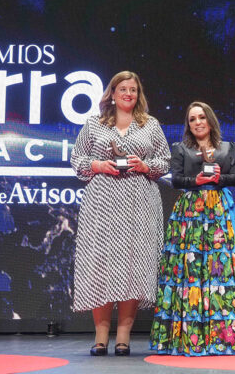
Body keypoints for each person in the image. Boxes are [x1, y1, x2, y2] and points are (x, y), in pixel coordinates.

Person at [149, 101, 235, 356]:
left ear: (210, 120)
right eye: (192, 119)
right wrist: (195, 181)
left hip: (220, 211)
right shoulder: (180, 148)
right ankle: (188, 339)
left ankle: (227, 338)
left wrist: (218, 178)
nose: (197, 122)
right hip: (190, 212)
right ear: (188, 124)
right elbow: (176, 179)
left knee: (222, 270)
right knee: (189, 270)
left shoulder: (227, 147)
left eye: (201, 117)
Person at [71, 70, 171, 356]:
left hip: (140, 202)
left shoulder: (150, 124)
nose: (129, 94)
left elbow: (164, 161)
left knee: (134, 265)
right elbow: (77, 159)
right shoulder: (93, 124)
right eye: (123, 89)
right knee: (101, 264)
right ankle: (100, 337)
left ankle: (124, 337)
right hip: (102, 204)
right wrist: (98, 165)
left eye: (134, 90)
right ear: (112, 93)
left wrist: (144, 165)